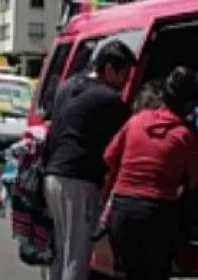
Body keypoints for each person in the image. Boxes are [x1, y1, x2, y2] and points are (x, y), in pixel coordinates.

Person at [43, 40, 136, 280]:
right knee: (78, 253)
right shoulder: (109, 99)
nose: (125, 83)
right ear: (109, 69)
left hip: (52, 175)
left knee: (60, 249)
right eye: (123, 74)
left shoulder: (67, 87)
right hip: (79, 180)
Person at [103, 66, 198, 280]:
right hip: (157, 214)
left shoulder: (135, 121)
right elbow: (194, 181)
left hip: (122, 211)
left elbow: (109, 157)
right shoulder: (185, 136)